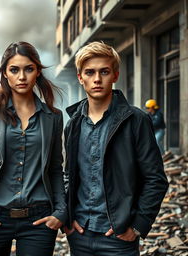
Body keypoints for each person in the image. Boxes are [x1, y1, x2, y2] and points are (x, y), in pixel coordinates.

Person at [63, 41, 169, 256]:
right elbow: (69, 175)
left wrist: (137, 225)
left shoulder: (136, 119)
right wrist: (67, 217)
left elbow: (155, 179)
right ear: (80, 77)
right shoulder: (73, 124)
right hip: (79, 234)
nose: (97, 79)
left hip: (118, 238)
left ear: (115, 75)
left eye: (104, 71)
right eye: (90, 72)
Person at [0, 41, 67, 256]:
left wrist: (60, 211)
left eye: (28, 69)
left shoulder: (53, 117)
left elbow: (56, 168)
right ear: (5, 73)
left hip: (39, 219)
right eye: (14, 69)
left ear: (38, 72)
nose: (22, 77)